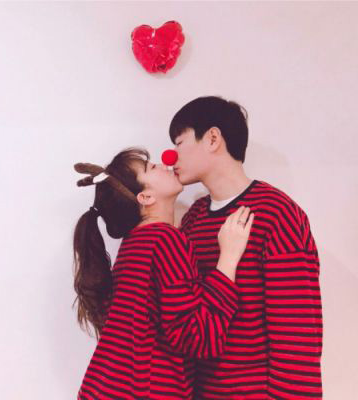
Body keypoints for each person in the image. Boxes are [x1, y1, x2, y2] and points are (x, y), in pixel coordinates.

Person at [169, 96, 323, 399]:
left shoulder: (277, 213)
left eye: (179, 143)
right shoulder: (194, 218)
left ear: (213, 138)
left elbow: (297, 336)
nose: (172, 157)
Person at [72, 147, 254, 399]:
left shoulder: (135, 242)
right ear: (145, 197)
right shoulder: (165, 241)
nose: (163, 163)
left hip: (105, 388)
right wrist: (229, 257)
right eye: (151, 167)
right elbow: (199, 338)